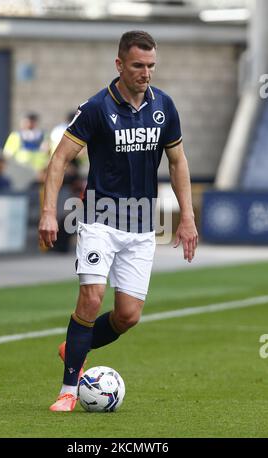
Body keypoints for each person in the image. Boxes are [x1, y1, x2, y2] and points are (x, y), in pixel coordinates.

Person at [39, 30, 198, 412]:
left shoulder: (164, 106)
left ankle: (74, 347)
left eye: (151, 65)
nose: (146, 73)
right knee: (91, 299)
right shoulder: (97, 107)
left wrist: (187, 217)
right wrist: (48, 211)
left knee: (128, 316)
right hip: (99, 219)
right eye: (138, 65)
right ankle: (68, 390)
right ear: (120, 65)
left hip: (142, 224)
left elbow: (178, 161)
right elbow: (60, 159)